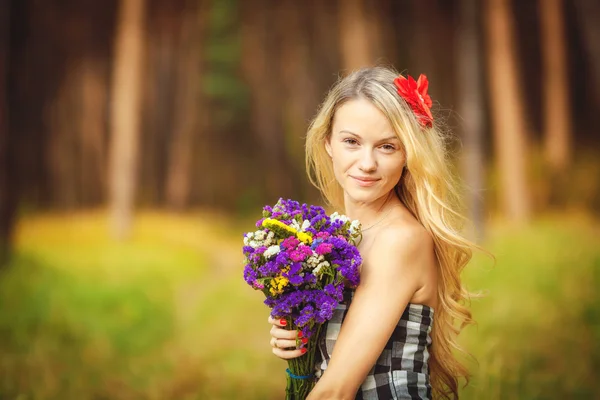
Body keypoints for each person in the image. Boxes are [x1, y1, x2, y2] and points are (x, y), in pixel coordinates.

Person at [268, 66, 477, 400]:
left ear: (408, 155)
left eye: (387, 147)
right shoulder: (338, 238)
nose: (367, 163)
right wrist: (301, 338)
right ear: (328, 143)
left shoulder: (400, 240)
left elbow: (335, 391)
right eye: (351, 141)